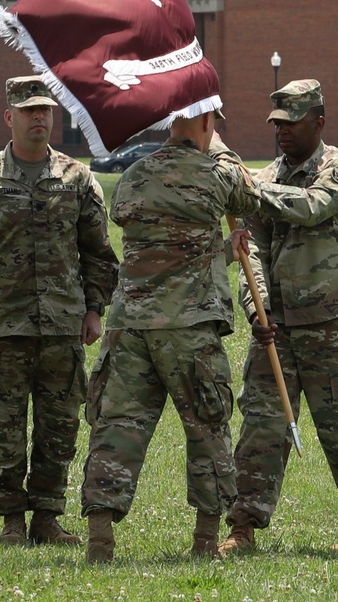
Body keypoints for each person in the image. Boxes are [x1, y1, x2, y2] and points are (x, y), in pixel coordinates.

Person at [220, 78, 338, 557]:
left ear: (319, 120)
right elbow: (250, 247)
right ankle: (243, 528)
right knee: (261, 426)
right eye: (277, 124)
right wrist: (256, 308)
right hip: (276, 327)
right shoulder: (266, 180)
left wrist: (249, 188)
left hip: (335, 324)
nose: (283, 132)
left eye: (292, 123)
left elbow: (313, 208)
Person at [81, 109, 256, 564]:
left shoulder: (135, 175)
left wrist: (219, 252)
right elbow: (248, 195)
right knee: (206, 426)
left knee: (116, 428)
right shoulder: (216, 173)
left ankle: (100, 541)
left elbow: (161, 245)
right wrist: (215, 151)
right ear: (206, 124)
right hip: (189, 327)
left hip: (130, 325)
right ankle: (204, 541)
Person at [0, 77, 118, 545]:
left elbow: (98, 252)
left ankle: (47, 515)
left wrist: (94, 309)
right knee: (3, 424)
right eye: (28, 111)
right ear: (9, 117)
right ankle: (11, 516)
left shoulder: (77, 177)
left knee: (60, 424)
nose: (38, 118)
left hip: (63, 324)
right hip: (2, 324)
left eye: (45, 110)